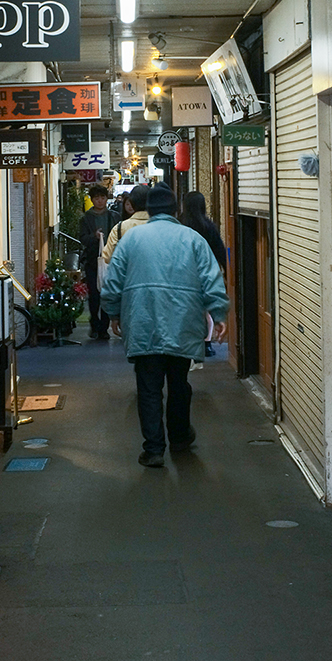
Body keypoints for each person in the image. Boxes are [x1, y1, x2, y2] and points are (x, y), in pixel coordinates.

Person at [100, 182, 231, 467]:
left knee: (148, 387)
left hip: (142, 322)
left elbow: (113, 283)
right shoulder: (192, 238)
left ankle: (154, 449)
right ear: (174, 209)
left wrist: (113, 314)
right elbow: (212, 278)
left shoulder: (131, 239)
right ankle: (181, 437)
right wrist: (218, 313)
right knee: (179, 383)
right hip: (183, 323)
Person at [181, 190, 228, 357]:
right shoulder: (209, 226)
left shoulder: (179, 226)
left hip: (184, 273)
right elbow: (220, 251)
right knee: (206, 310)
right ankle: (207, 344)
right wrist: (227, 271)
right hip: (206, 273)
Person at [78, 183, 112, 339]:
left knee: (107, 293)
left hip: (110, 261)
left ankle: (104, 327)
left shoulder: (114, 216)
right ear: (92, 200)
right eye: (96, 198)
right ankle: (94, 323)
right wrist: (94, 236)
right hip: (92, 261)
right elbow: (82, 239)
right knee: (94, 294)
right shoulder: (86, 218)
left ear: (106, 198)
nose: (100, 201)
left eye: (102, 197)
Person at [101, 184, 149, 264]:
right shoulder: (163, 227)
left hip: (128, 274)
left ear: (132, 203)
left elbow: (107, 257)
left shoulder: (120, 228)